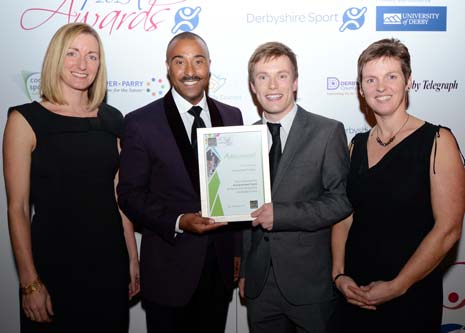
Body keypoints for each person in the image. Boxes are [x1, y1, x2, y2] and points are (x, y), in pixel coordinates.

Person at [3, 23, 140, 333]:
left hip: (109, 265)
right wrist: (29, 282)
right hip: (53, 268)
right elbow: (18, 208)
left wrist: (133, 258)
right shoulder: (25, 120)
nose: (82, 64)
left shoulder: (113, 119)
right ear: (55, 58)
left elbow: (121, 197)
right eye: (73, 53)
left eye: (92, 56)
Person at [331, 38, 465, 333]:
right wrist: (339, 275)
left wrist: (397, 286)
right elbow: (344, 216)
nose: (381, 87)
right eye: (371, 79)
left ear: (408, 82)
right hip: (354, 293)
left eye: (391, 76)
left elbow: (448, 229)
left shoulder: (438, 141)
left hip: (410, 295)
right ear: (361, 89)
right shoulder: (356, 145)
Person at [117, 32, 243, 333]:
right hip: (168, 271)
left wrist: (238, 255)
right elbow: (130, 194)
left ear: (209, 66)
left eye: (198, 61)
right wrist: (179, 221)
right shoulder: (140, 122)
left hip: (219, 270)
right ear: (168, 67)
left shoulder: (231, 115)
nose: (190, 71)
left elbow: (239, 191)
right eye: (180, 61)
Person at [239, 41, 352, 333]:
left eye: (282, 75)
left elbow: (340, 201)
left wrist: (283, 215)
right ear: (253, 86)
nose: (272, 85)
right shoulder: (240, 140)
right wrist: (244, 271)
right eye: (263, 76)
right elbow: (242, 208)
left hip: (310, 284)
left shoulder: (327, 132)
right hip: (260, 285)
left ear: (296, 82)